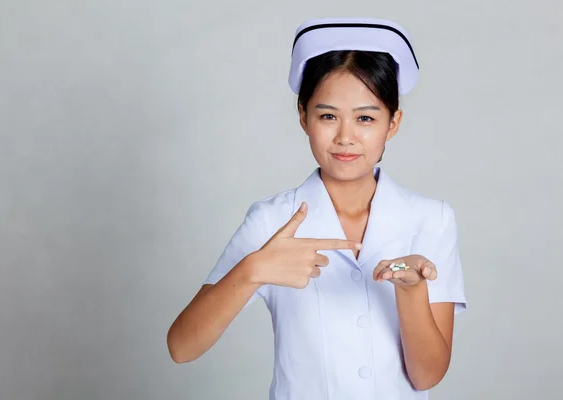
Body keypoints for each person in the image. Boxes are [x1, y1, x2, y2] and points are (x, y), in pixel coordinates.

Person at [167, 17, 467, 399]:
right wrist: (254, 268)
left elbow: (427, 376)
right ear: (302, 116)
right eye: (327, 116)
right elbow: (181, 347)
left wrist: (412, 291)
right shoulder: (272, 220)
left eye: (365, 118)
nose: (345, 137)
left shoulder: (431, 220)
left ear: (393, 123)